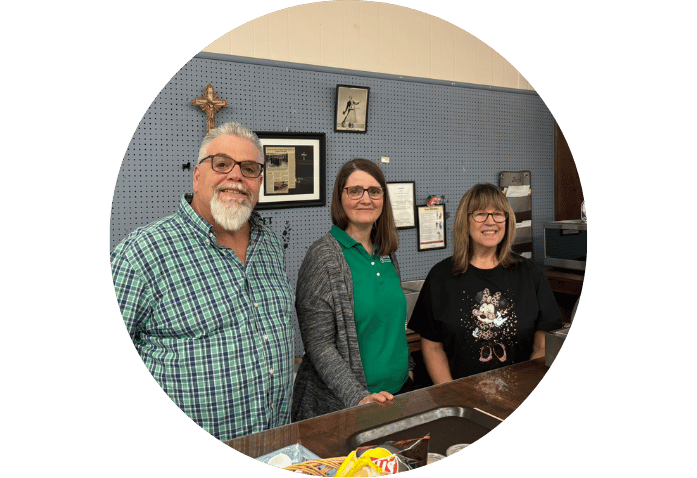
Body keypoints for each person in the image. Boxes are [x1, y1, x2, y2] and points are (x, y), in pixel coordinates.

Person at [110, 122, 295, 441]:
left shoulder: (271, 246)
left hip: (276, 446)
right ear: (197, 175)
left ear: (259, 182)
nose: (236, 176)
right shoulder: (141, 254)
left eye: (249, 169)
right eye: (222, 164)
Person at [292, 159, 414, 421]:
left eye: (374, 191)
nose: (365, 199)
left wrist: (409, 369)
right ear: (341, 197)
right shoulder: (323, 256)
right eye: (355, 191)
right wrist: (358, 397)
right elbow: (318, 344)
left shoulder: (387, 252)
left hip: (398, 395)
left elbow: (392, 323)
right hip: (348, 406)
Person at [409, 183, 561, 384]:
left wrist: (525, 388)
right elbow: (432, 346)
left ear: (507, 220)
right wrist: (452, 394)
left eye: (498, 214)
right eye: (480, 214)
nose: (491, 222)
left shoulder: (529, 273)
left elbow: (542, 344)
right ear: (466, 221)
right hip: (462, 399)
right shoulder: (441, 277)